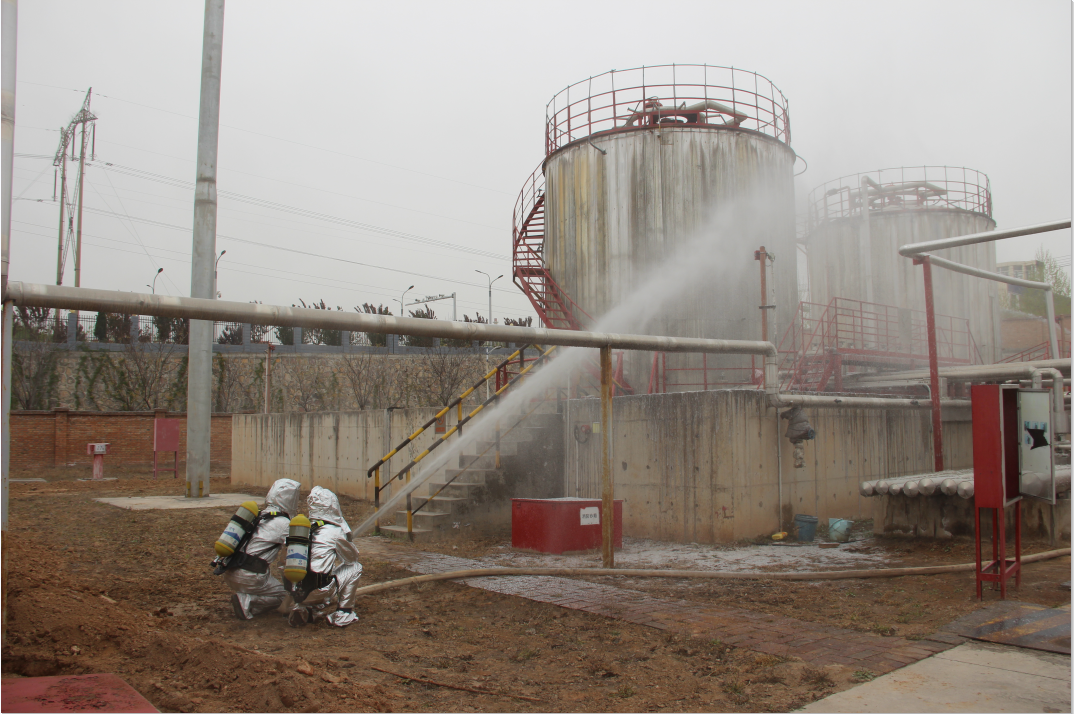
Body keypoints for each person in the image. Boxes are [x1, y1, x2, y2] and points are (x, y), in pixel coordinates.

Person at [213, 478, 301, 620]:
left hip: (229, 570)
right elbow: (293, 554)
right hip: (250, 576)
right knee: (283, 596)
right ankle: (248, 601)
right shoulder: (284, 524)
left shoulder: (258, 515)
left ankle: (248, 600)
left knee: (267, 585)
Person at [287, 486, 362, 627]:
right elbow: (352, 558)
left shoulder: (301, 530)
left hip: (296, 592)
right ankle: (343, 614)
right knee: (356, 567)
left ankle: (302, 609)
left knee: (316, 570)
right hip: (319, 590)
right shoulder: (334, 531)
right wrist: (347, 539)